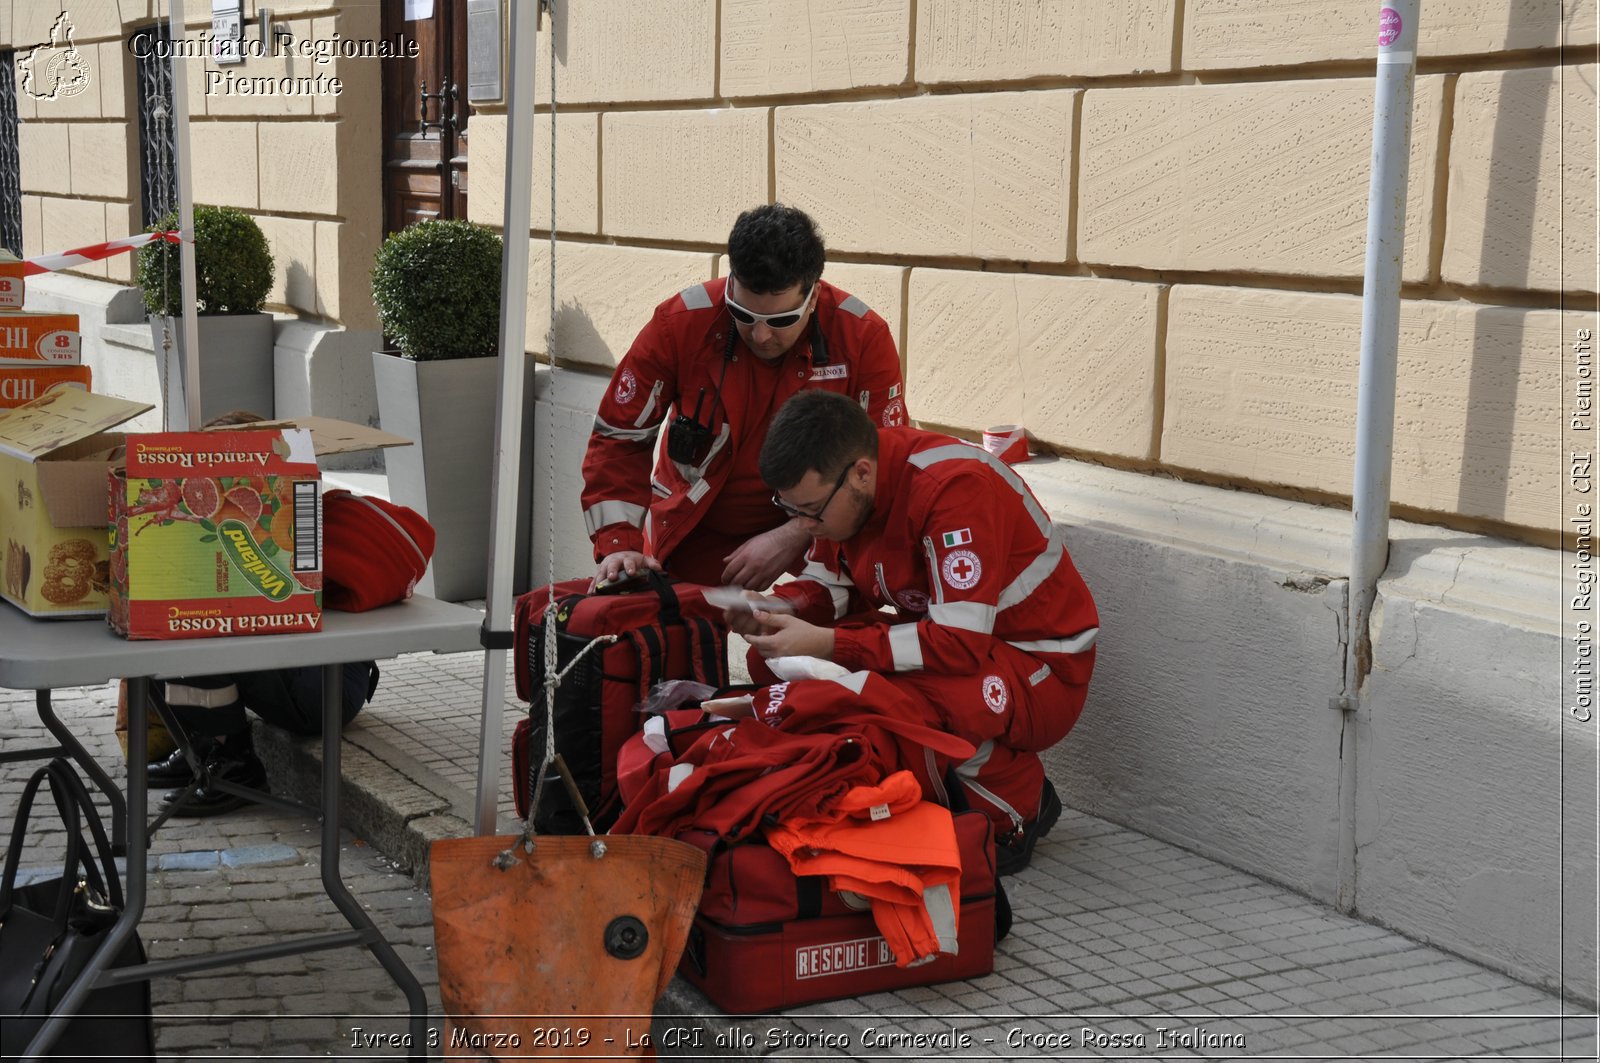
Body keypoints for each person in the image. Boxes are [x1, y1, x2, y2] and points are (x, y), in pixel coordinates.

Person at [725, 390, 1099, 874]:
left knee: (889, 696)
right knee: (774, 660)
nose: (803, 527)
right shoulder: (852, 493)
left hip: (1042, 669)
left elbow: (961, 644)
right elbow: (834, 588)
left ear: (861, 473)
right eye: (792, 510)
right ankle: (909, 789)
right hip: (964, 646)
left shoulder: (954, 488)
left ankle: (1016, 805)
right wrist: (779, 608)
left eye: (811, 511)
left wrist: (831, 643)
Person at [583, 203, 908, 591]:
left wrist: (799, 532)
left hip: (821, 529)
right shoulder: (679, 323)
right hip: (694, 523)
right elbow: (619, 439)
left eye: (781, 321)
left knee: (826, 635)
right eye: (743, 314)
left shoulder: (862, 336)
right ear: (731, 280)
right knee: (672, 636)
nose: (760, 336)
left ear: (814, 293)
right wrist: (619, 543)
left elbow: (881, 463)